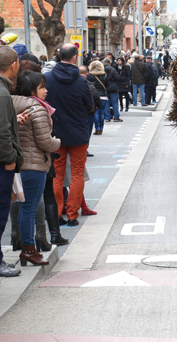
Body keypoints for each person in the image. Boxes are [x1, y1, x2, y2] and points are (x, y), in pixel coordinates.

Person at [11, 70, 61, 266]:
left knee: (21, 207)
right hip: (33, 165)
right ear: (32, 90)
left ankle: (25, 247)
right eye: (42, 87)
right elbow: (44, 141)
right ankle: (29, 250)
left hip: (17, 163)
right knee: (29, 208)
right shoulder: (37, 108)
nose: (46, 91)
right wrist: (57, 142)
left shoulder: (11, 102)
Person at [45, 44, 94, 227]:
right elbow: (89, 105)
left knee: (57, 174)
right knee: (77, 173)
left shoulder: (48, 78)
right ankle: (73, 214)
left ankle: (57, 213)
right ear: (74, 57)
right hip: (78, 132)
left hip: (56, 133)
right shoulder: (81, 81)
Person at [0, 46, 23, 277]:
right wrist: (8, 159)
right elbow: (2, 131)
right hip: (2, 163)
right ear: (14, 65)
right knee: (1, 211)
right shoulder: (2, 92)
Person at [88, 61, 111, 135]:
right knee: (102, 112)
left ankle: (97, 128)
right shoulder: (104, 75)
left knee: (95, 113)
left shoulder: (90, 75)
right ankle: (101, 128)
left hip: (94, 96)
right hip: (103, 96)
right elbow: (107, 85)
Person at [102, 58, 122, 123]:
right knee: (115, 103)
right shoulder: (113, 70)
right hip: (113, 88)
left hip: (105, 88)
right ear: (110, 63)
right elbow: (118, 78)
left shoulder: (102, 70)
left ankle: (107, 117)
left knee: (106, 104)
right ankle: (116, 117)